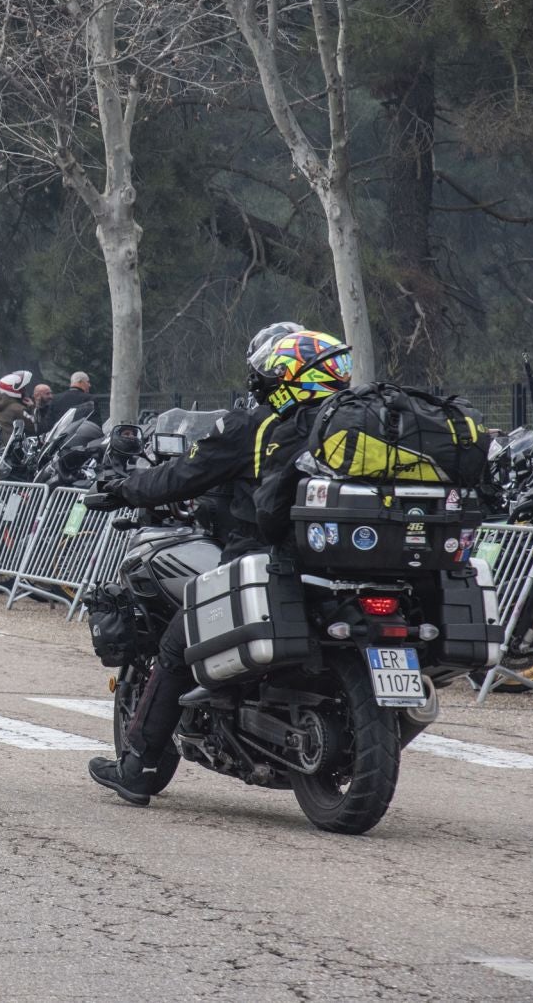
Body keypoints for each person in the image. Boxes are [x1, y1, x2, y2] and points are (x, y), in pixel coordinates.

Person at [84, 325, 351, 807]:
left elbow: (181, 475)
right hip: (345, 568)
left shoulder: (260, 425)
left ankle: (138, 768)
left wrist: (123, 486)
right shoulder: (356, 427)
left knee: (175, 646)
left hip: (264, 563)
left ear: (280, 376)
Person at [0, 371, 33, 437]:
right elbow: (37, 428)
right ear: (13, 390)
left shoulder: (1, 405)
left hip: (3, 444)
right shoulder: (17, 409)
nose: (24, 391)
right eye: (22, 389)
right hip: (14, 446)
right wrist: (33, 407)